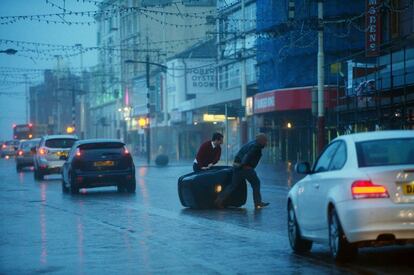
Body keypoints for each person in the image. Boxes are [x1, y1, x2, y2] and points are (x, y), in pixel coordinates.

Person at [215, 133, 270, 209]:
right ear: (261, 140)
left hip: (237, 166)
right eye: (265, 141)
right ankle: (258, 203)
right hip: (245, 168)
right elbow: (248, 156)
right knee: (256, 183)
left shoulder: (252, 143)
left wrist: (239, 166)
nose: (266, 143)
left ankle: (219, 200)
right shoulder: (256, 146)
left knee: (232, 185)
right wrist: (242, 165)